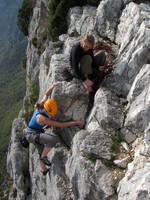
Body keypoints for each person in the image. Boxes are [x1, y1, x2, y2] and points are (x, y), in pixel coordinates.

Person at [24, 83, 85, 175]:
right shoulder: (43, 119)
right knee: (53, 140)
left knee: (41, 150)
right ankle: (44, 157)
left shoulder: (41, 105)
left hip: (31, 132)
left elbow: (46, 94)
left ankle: (44, 170)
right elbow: (60, 124)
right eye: (52, 113)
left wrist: (52, 86)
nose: (53, 115)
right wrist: (76, 122)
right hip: (32, 134)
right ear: (48, 111)